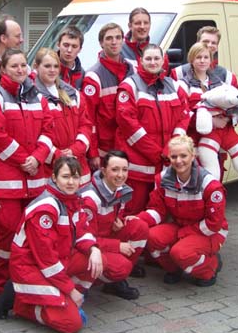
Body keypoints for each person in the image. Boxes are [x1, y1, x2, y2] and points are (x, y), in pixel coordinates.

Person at [0, 48, 54, 314]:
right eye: (14, 66)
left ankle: (28, 286)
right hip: (6, 183)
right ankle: (3, 290)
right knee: (9, 236)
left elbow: (49, 130)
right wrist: (25, 159)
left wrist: (38, 156)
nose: (21, 70)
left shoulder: (38, 96)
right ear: (3, 70)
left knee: (35, 236)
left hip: (35, 181)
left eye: (23, 65)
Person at [10, 156, 103, 333]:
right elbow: (46, 260)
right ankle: (22, 306)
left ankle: (65, 300)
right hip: (30, 268)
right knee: (71, 324)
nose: (71, 182)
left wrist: (94, 249)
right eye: (66, 176)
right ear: (54, 178)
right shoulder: (46, 208)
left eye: (75, 177)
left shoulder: (72, 201)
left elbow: (82, 232)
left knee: (98, 261)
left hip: (54, 264)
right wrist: (69, 289)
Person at [131, 135, 227, 287]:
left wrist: (184, 234)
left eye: (184, 155)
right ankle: (174, 268)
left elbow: (214, 224)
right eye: (174, 156)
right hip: (181, 226)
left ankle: (210, 268)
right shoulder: (162, 179)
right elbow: (157, 210)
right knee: (151, 237)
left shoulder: (210, 185)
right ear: (169, 157)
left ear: (193, 156)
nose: (178, 161)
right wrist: (138, 220)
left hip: (209, 231)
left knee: (180, 252)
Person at [115, 44, 190, 214]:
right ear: (141, 61)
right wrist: (158, 153)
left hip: (165, 163)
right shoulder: (129, 86)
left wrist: (172, 148)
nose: (153, 62)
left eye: (157, 58)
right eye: (148, 58)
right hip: (138, 168)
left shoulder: (174, 85)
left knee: (160, 211)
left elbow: (184, 117)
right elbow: (129, 125)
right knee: (134, 212)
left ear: (163, 60)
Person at [79, 150, 149, 299]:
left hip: (105, 237)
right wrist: (117, 246)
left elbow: (114, 216)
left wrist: (121, 222)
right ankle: (91, 280)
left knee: (139, 227)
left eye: (125, 170)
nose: (120, 175)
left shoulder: (120, 189)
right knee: (122, 267)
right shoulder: (90, 199)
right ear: (103, 171)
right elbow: (85, 240)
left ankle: (114, 282)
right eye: (115, 170)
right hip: (88, 247)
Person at [177, 42, 238, 180]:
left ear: (211, 60)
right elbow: (181, 114)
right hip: (194, 143)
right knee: (197, 184)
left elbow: (235, 106)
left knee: (215, 184)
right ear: (191, 59)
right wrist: (211, 121)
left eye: (206, 57)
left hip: (218, 145)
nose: (202, 61)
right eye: (198, 57)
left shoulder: (221, 84)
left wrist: (227, 118)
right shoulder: (183, 85)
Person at [33, 48, 92, 185]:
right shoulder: (31, 97)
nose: (52, 70)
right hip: (49, 169)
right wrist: (57, 156)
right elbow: (34, 135)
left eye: (55, 66)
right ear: (36, 67)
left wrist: (75, 150)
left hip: (78, 165)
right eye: (47, 66)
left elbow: (85, 125)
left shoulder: (73, 94)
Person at [82, 22, 134, 172]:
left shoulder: (132, 70)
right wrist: (93, 153)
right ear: (101, 43)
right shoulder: (94, 76)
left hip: (129, 146)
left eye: (118, 37)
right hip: (105, 150)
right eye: (109, 38)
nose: (114, 42)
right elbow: (88, 119)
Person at [172, 26, 238, 87]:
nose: (209, 45)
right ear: (197, 43)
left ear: (217, 47)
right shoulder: (178, 73)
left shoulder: (228, 77)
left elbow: (235, 98)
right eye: (205, 41)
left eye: (214, 43)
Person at [121, 7, 169, 72]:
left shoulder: (160, 54)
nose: (142, 27)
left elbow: (163, 79)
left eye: (146, 23)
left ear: (150, 25)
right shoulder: (118, 52)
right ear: (130, 26)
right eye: (138, 23)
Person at [56, 25, 85, 89]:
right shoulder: (48, 69)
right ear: (58, 45)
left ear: (80, 49)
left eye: (74, 46)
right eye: (66, 45)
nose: (69, 50)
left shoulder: (83, 74)